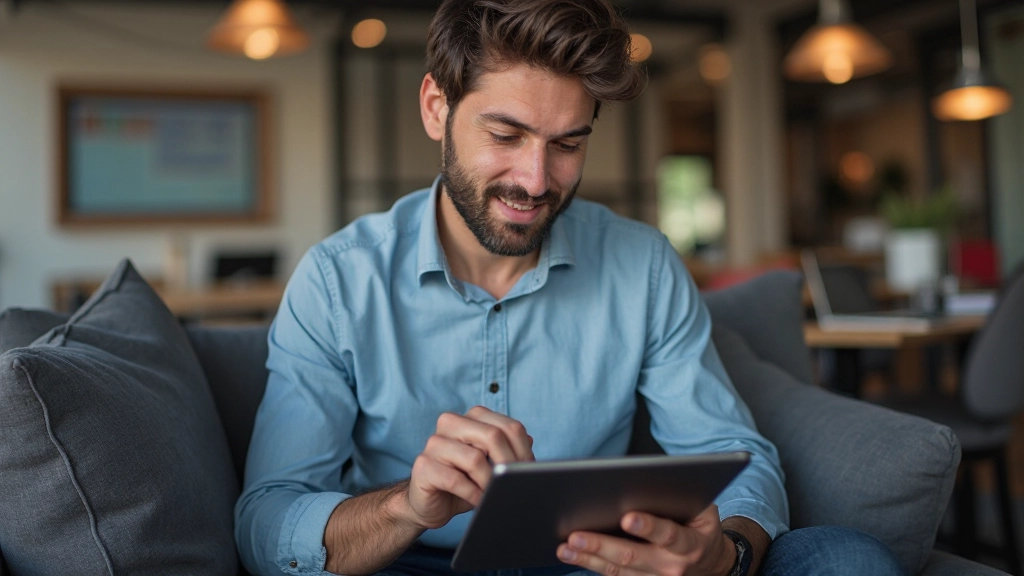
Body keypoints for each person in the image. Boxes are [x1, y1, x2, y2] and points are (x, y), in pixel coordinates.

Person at [236, 1, 906, 575]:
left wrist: (721, 552)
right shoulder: (337, 280)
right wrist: (406, 505)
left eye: (567, 144)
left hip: (591, 561)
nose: (535, 180)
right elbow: (267, 517)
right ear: (437, 107)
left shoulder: (641, 264)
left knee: (849, 558)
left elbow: (734, 457)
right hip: (408, 559)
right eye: (506, 134)